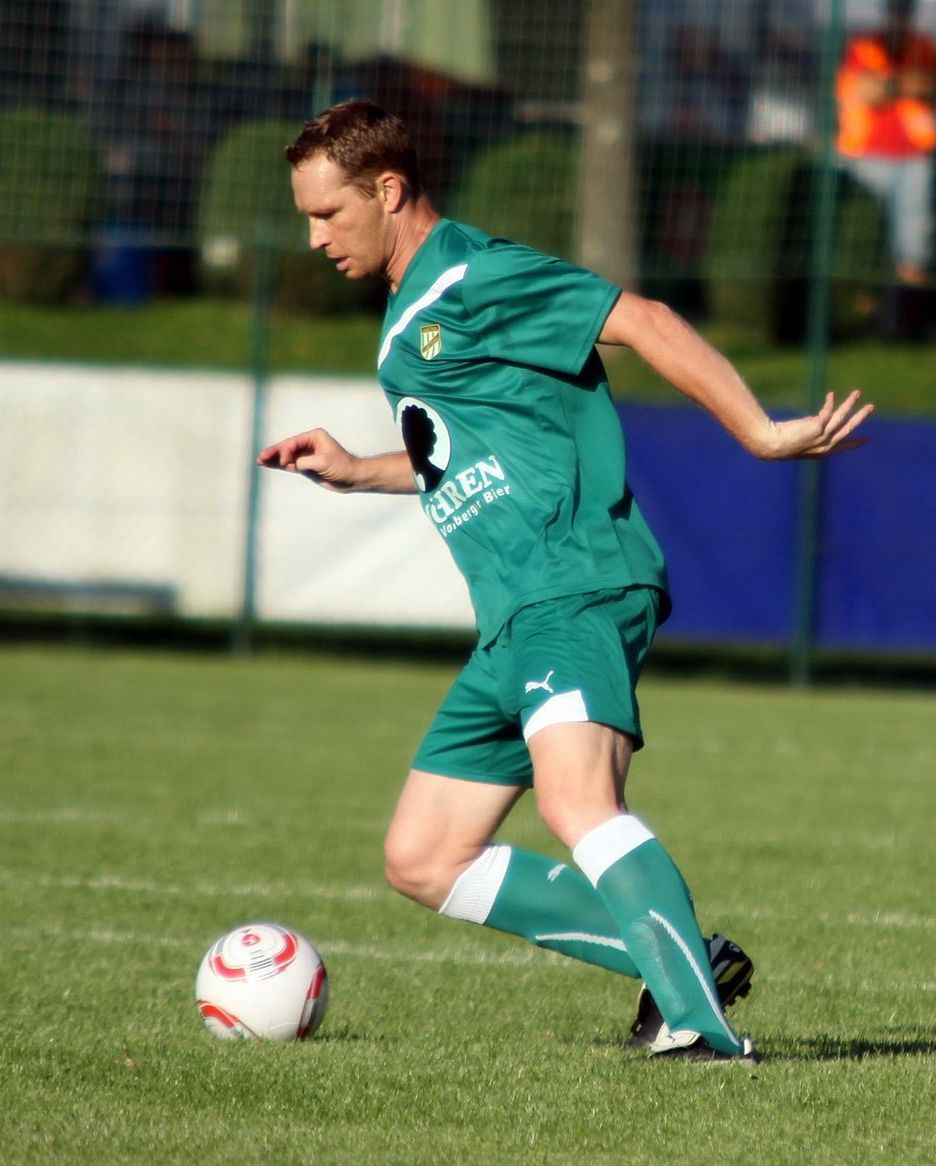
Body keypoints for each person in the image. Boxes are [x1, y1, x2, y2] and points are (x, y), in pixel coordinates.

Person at [260, 100, 872, 1064]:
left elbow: (644, 318)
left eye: (327, 213)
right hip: (510, 615)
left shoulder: (474, 273)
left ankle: (701, 1029)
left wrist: (759, 430)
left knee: (577, 800)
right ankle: (687, 962)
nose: (313, 236)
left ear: (387, 191)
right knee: (423, 857)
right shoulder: (405, 313)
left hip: (575, 580)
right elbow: (462, 451)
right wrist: (359, 467)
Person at [835, 0, 936, 336]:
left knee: (912, 245)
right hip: (867, 155)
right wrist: (898, 84)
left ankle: (906, 325)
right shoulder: (863, 48)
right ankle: (864, 319)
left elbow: (928, 85)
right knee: (867, 238)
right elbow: (867, 91)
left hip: (913, 156)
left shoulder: (923, 48)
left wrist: (888, 84)